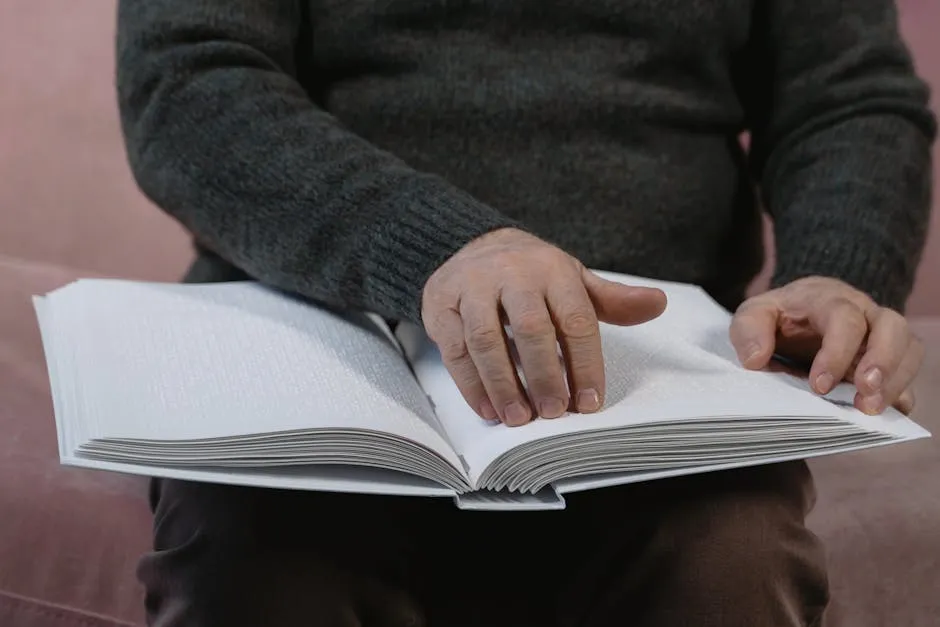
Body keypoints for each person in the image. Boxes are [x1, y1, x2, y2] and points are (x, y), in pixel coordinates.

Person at [115, 0, 935, 625]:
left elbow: (847, 96)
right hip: (315, 315)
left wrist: (837, 271)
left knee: (732, 567)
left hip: (653, 359)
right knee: (256, 571)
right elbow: (186, 76)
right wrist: (437, 247)